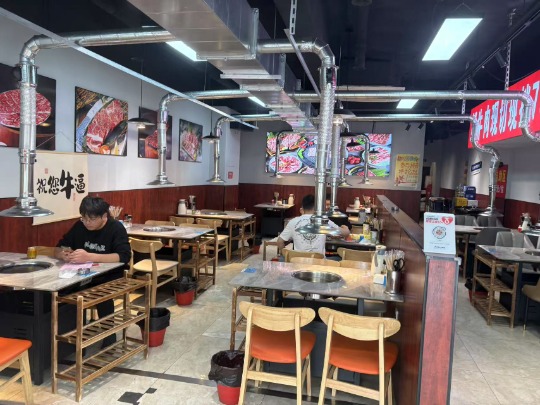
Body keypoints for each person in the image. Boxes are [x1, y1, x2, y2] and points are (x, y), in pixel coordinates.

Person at [56, 196, 131, 347]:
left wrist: (90, 256)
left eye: (92, 219)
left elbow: (123, 257)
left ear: (104, 216)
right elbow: (60, 246)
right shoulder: (80, 226)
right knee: (62, 291)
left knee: (101, 292)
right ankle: (68, 337)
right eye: (84, 218)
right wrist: (63, 254)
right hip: (81, 274)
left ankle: (109, 334)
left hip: (110, 275)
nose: (87, 223)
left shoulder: (115, 228)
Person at [277, 194, 350, 255]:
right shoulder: (323, 221)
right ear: (318, 207)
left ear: (302, 208)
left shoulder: (293, 222)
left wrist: (287, 256)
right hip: (319, 264)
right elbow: (346, 233)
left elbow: (280, 242)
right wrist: (345, 227)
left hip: (298, 263)